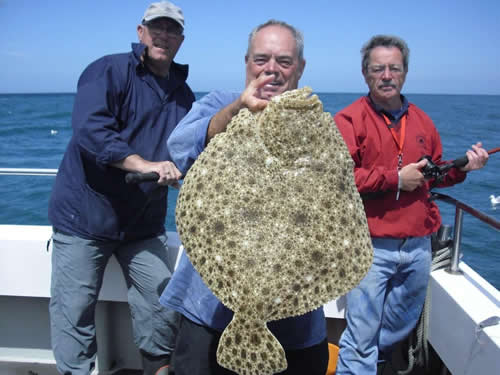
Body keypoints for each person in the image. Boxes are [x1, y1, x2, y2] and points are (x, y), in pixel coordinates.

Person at [159, 20, 329, 375]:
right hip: (210, 309)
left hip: (294, 317)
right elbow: (180, 149)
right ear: (247, 63)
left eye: (284, 61)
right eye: (261, 59)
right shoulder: (222, 103)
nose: (271, 69)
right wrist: (240, 108)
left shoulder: (316, 122)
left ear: (300, 67)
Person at [48, 2, 194, 374]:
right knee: (74, 308)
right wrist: (143, 164)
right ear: (141, 32)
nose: (164, 35)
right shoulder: (109, 70)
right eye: (156, 28)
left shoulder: (184, 96)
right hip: (85, 217)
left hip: (142, 223)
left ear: (181, 40)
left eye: (172, 30)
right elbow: (91, 131)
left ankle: (158, 369)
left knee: (163, 299)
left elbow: (190, 152)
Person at [333, 35, 489, 374]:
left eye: (394, 68)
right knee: (360, 338)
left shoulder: (423, 121)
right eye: (378, 69)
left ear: (404, 73)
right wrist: (395, 179)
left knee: (396, 329)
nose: (386, 75)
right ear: (365, 74)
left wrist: (463, 169)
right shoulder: (347, 120)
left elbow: (435, 175)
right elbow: (336, 180)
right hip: (369, 247)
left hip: (418, 247)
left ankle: (368, 362)